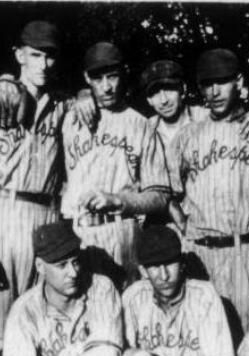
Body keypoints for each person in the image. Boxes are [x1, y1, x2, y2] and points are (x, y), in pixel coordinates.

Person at [0, 20, 72, 356]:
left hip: (45, 216)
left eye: (50, 56)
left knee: (39, 326)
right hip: (1, 212)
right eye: (35, 55)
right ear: (19, 55)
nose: (43, 64)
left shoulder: (63, 107)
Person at [167, 49, 249, 337]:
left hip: (246, 251)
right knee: (208, 341)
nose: (214, 91)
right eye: (207, 84)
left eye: (222, 82)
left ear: (238, 81)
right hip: (202, 254)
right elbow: (168, 193)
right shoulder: (188, 135)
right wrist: (184, 226)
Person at [61, 42, 172, 287]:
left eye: (112, 76)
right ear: (86, 78)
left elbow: (160, 196)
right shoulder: (70, 119)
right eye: (97, 78)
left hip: (124, 231)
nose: (107, 86)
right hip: (81, 233)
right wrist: (80, 95)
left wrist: (119, 200)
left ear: (123, 74)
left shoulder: (140, 124)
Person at [2, 221, 130, 356]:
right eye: (61, 265)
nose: (73, 272)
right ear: (40, 266)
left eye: (75, 262)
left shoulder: (100, 287)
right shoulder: (24, 311)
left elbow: (108, 355)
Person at [122, 225, 236, 356]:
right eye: (154, 266)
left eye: (169, 263)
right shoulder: (134, 297)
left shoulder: (204, 296)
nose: (164, 275)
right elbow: (118, 354)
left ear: (182, 263)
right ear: (143, 271)